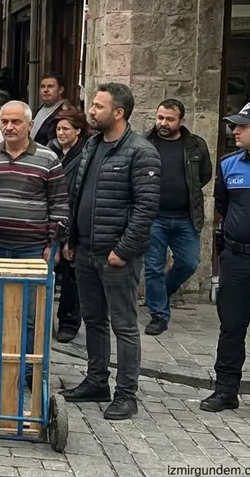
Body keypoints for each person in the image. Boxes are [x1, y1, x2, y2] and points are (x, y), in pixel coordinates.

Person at [62, 82, 160, 420]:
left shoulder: (140, 151)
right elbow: (77, 196)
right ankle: (96, 381)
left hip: (116, 255)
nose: (92, 111)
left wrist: (124, 250)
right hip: (86, 251)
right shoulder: (91, 144)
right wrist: (71, 240)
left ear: (118, 112)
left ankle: (126, 393)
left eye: (99, 107)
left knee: (124, 325)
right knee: (93, 319)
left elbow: (146, 208)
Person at [0, 101, 68, 381]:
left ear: (30, 125)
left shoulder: (47, 158)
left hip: (31, 250)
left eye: (16, 122)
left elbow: (60, 205)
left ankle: (28, 369)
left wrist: (52, 245)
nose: (9, 127)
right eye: (4, 121)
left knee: (30, 315)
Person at [203, 101, 250, 413]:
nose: (235, 130)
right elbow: (224, 206)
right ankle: (225, 391)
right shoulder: (229, 165)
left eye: (242, 126)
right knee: (231, 328)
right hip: (238, 259)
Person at [144, 99, 211, 336]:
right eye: (160, 117)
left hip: (186, 217)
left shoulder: (195, 145)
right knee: (153, 267)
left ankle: (162, 291)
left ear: (181, 121)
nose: (163, 123)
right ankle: (158, 315)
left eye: (169, 119)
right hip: (155, 217)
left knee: (189, 262)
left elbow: (204, 175)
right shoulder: (146, 143)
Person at [49, 106, 90, 343]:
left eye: (66, 128)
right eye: (58, 128)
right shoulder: (53, 151)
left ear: (78, 130)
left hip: (73, 219)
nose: (61, 133)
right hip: (53, 218)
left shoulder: (84, 155)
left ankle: (69, 321)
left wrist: (70, 234)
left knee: (71, 277)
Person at [32, 74, 67, 146]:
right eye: (43, 87)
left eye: (50, 86)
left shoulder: (65, 112)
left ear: (61, 90)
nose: (45, 90)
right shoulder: (40, 109)